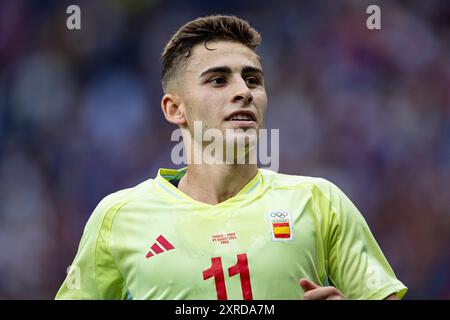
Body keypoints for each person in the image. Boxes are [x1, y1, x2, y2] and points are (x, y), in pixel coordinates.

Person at [56, 15, 407, 300]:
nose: (243, 92)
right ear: (174, 108)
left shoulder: (319, 201)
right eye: (219, 80)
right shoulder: (119, 217)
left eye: (252, 80)